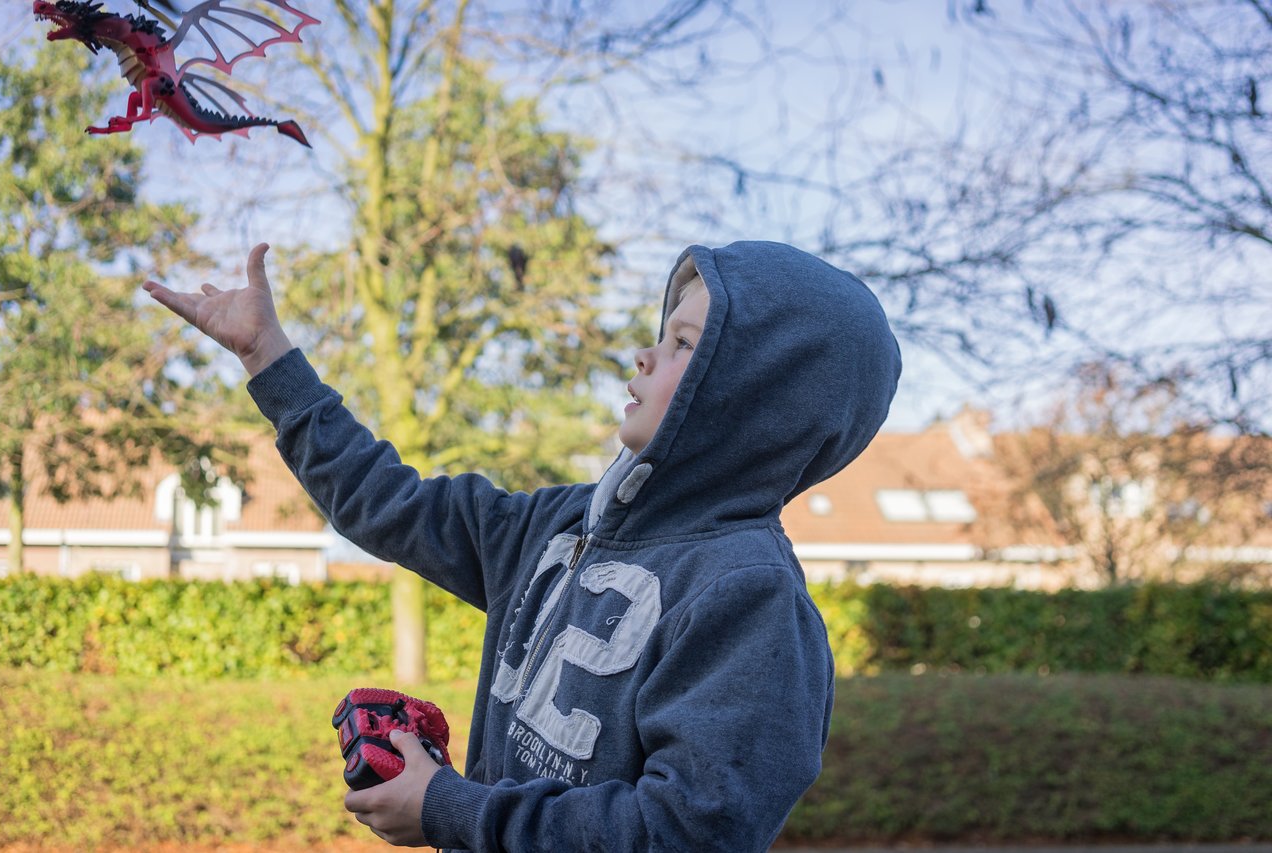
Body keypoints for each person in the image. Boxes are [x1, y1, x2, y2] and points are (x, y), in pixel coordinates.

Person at [143, 238, 902, 852]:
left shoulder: (750, 598)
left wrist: (452, 810)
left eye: (681, 344)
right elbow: (386, 502)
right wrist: (267, 357)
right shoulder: (560, 526)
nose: (643, 355)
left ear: (751, 400)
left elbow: (688, 832)